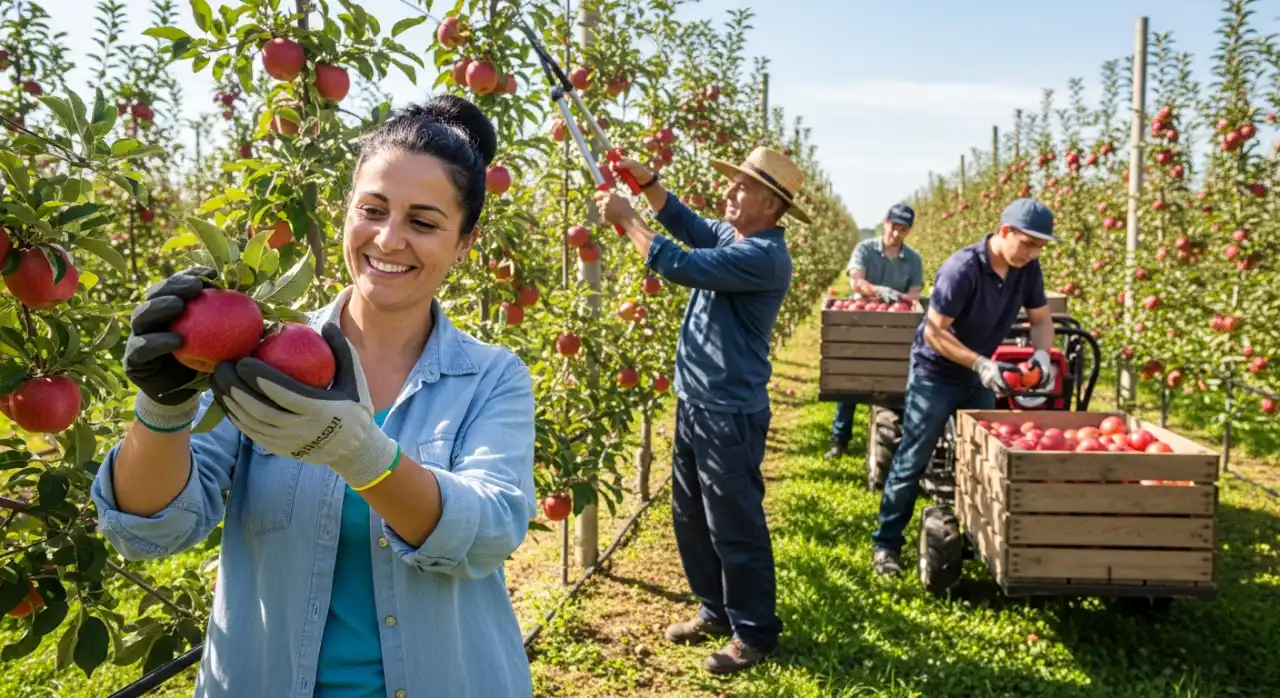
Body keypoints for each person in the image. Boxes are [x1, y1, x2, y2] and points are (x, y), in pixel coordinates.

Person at [91, 95, 537, 697]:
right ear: (345, 213)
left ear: (464, 243)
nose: (389, 238)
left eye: (424, 222)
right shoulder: (257, 356)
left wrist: (359, 452)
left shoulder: (492, 378)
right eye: (372, 209)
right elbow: (150, 532)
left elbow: (487, 532)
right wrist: (163, 409)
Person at [593, 146, 806, 674]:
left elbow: (679, 263)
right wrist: (648, 182)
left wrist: (629, 221)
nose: (730, 192)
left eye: (743, 188)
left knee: (734, 524)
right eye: (733, 184)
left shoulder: (764, 257)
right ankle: (715, 610)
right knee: (690, 519)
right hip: (696, 403)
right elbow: (685, 222)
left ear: (771, 207)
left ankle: (754, 632)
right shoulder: (737, 236)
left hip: (729, 413)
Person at [869, 198, 1058, 576]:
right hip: (935, 373)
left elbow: (1040, 319)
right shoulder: (963, 268)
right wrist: (979, 362)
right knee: (913, 458)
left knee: (980, 453)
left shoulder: (1026, 269)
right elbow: (934, 331)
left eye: (1040, 246)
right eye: (1028, 243)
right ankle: (887, 544)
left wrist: (1041, 355)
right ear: (1005, 231)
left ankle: (979, 532)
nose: (1034, 253)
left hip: (978, 376)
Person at [824, 203, 925, 462]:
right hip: (862, 324)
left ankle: (897, 436)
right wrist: (879, 292)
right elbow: (855, 281)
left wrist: (899, 300)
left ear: (909, 231)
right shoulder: (865, 249)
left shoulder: (913, 259)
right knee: (850, 381)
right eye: (893, 226)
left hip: (896, 329)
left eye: (902, 229)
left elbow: (913, 295)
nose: (895, 233)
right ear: (885, 222)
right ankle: (840, 438)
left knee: (894, 382)